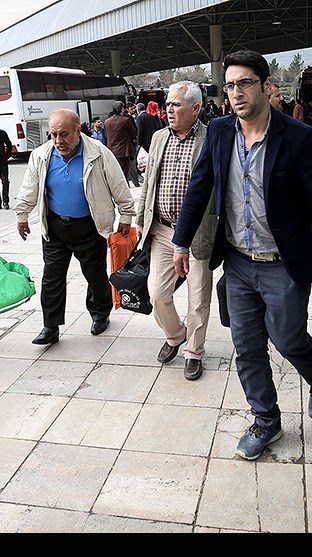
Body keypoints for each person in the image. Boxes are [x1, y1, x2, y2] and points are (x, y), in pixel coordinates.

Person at [172, 49, 312, 461]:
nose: (236, 93)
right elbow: (199, 187)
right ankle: (266, 419)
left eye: (244, 83)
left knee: (289, 339)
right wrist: (181, 243)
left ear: (266, 86)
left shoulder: (298, 138)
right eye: (230, 85)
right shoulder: (219, 132)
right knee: (248, 347)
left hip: (284, 265)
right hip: (237, 263)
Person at [14, 108, 136, 345]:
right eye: (54, 135)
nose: (59, 140)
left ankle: (100, 313)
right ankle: (50, 326)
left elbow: (119, 187)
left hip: (90, 226)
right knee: (51, 278)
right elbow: (29, 188)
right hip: (55, 227)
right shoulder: (41, 156)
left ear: (78, 131)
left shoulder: (99, 153)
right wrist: (22, 215)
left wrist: (126, 216)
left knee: (95, 276)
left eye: (65, 134)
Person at [136, 81, 215, 380]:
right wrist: (142, 217)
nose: (169, 109)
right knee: (156, 293)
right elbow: (148, 183)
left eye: (176, 104)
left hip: (198, 233)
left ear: (195, 108)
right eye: (167, 104)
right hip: (163, 231)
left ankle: (194, 351)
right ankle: (175, 335)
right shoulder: (158, 138)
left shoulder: (210, 139)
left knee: (198, 296)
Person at [104, 100, 138, 182]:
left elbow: (106, 136)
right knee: (124, 174)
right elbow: (134, 133)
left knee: (115, 174)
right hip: (123, 151)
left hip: (111, 151)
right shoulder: (125, 120)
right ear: (122, 109)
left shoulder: (107, 122)